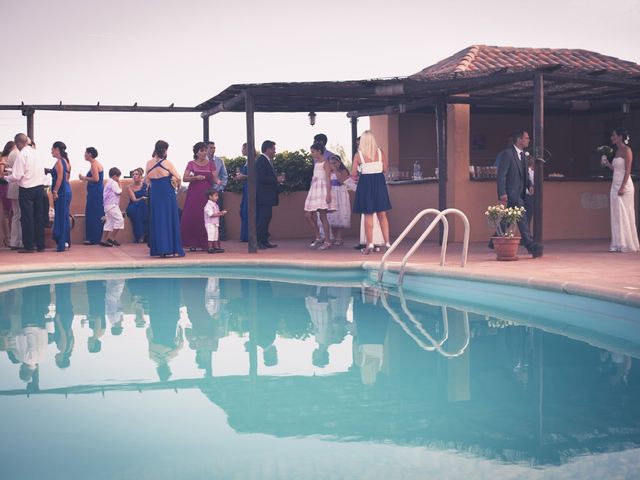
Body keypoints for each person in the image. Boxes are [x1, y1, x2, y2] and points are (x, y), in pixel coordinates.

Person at [495, 129, 543, 258]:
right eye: (526, 138)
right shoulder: (508, 154)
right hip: (512, 193)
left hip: (520, 192)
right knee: (522, 216)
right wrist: (502, 192)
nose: (528, 140)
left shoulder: (523, 156)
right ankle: (530, 245)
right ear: (519, 139)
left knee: (509, 218)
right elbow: (501, 175)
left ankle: (494, 240)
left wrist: (529, 185)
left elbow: (525, 174)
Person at [351, 130, 392, 255]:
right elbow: (385, 169)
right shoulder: (380, 152)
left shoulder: (358, 155)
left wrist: (361, 171)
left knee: (368, 214)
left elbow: (353, 173)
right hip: (379, 183)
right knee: (382, 215)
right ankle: (387, 242)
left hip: (365, 184)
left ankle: (369, 243)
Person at [4, 133, 47, 253]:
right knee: (38, 217)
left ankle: (29, 245)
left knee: (27, 218)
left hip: (27, 189)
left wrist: (6, 178)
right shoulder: (36, 152)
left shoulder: (22, 154)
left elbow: (17, 175)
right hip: (39, 188)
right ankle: (40, 245)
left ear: (18, 143)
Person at [601, 127, 639, 252]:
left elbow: (627, 170)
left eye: (614, 135)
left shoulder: (627, 150)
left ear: (620, 137)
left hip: (625, 185)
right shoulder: (616, 151)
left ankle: (627, 243)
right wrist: (607, 164)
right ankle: (617, 243)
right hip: (614, 184)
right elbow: (617, 169)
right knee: (616, 213)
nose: (612, 137)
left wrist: (622, 186)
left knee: (624, 213)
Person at [145, 140, 185, 258]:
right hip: (167, 192)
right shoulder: (167, 163)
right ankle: (172, 248)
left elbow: (146, 181)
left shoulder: (148, 163)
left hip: (155, 193)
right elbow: (178, 177)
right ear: (165, 150)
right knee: (169, 218)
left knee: (157, 219)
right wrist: (176, 185)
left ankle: (160, 249)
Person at [180, 141, 219, 251]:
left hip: (206, 194)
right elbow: (185, 178)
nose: (204, 152)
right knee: (193, 216)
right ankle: (192, 242)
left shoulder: (211, 164)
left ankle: (207, 243)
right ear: (196, 152)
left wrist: (219, 181)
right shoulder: (191, 163)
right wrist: (195, 178)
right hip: (194, 193)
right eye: (201, 150)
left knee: (207, 216)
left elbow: (215, 178)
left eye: (205, 150)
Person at [304, 142, 336, 250]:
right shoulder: (316, 163)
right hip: (314, 189)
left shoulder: (325, 163)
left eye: (313, 152)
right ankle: (318, 236)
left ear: (319, 151)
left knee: (323, 216)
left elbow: (328, 178)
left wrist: (328, 193)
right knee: (308, 215)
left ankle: (327, 241)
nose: (312, 154)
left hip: (322, 190)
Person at [256, 140, 280, 249]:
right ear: (268, 149)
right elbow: (260, 177)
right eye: (274, 149)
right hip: (263, 196)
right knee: (263, 218)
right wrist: (276, 179)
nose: (275, 151)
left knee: (267, 218)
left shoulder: (267, 161)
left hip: (267, 196)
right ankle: (259, 241)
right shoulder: (262, 160)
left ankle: (264, 240)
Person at [78, 147, 104, 245]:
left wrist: (84, 178)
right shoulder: (96, 163)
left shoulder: (94, 164)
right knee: (96, 213)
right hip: (96, 191)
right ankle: (96, 237)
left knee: (93, 214)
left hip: (95, 192)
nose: (84, 155)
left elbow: (96, 179)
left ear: (90, 154)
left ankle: (93, 238)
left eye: (85, 153)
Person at [50, 141, 72, 252]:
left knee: (61, 216)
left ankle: (62, 242)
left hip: (61, 191)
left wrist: (55, 191)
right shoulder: (67, 161)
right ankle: (66, 241)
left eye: (52, 149)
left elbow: (60, 178)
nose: (51, 151)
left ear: (57, 149)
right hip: (67, 189)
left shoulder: (59, 161)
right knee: (64, 215)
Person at [327, 154, 351, 246]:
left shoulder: (343, 171)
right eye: (331, 163)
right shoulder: (328, 172)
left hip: (340, 194)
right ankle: (332, 236)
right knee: (331, 216)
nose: (333, 165)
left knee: (340, 215)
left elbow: (342, 182)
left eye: (335, 163)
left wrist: (336, 171)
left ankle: (339, 237)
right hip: (332, 193)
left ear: (339, 163)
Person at [206, 141, 228, 240]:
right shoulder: (202, 160)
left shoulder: (219, 161)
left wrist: (220, 188)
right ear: (206, 149)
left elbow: (224, 175)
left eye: (214, 148)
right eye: (210, 148)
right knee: (206, 213)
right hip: (205, 192)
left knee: (219, 213)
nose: (213, 149)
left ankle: (221, 235)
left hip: (216, 191)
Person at [99, 167, 124, 247]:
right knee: (120, 220)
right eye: (118, 177)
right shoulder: (113, 182)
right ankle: (111, 238)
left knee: (109, 223)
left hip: (107, 205)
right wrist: (120, 185)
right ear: (114, 176)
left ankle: (103, 240)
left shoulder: (108, 182)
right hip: (112, 205)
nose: (118, 179)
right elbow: (119, 192)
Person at [125, 167, 148, 243]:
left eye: (137, 174)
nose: (134, 176)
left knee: (144, 207)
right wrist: (142, 198)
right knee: (141, 206)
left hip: (144, 206)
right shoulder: (129, 187)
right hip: (133, 206)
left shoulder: (146, 185)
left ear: (141, 176)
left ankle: (144, 234)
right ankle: (141, 234)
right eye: (133, 174)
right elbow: (134, 200)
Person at [0, 141, 16, 248]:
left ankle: (12, 236)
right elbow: (1, 174)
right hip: (4, 186)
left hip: (11, 186)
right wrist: (10, 173)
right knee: (6, 213)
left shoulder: (12, 159)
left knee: (12, 213)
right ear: (10, 148)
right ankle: (7, 237)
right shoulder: (3, 159)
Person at [204, 189, 227, 253]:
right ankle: (210, 248)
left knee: (215, 235)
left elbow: (216, 213)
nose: (217, 197)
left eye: (217, 196)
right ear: (210, 197)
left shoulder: (215, 204)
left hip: (215, 223)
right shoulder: (208, 205)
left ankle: (216, 247)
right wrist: (220, 214)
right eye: (215, 196)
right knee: (211, 235)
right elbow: (211, 214)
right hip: (210, 223)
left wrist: (220, 212)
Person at [236, 143, 251, 242]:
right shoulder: (247, 161)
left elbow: (254, 175)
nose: (242, 150)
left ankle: (248, 236)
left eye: (243, 149)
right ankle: (245, 235)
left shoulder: (252, 161)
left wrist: (243, 176)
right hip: (246, 188)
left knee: (248, 211)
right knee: (244, 211)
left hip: (250, 189)